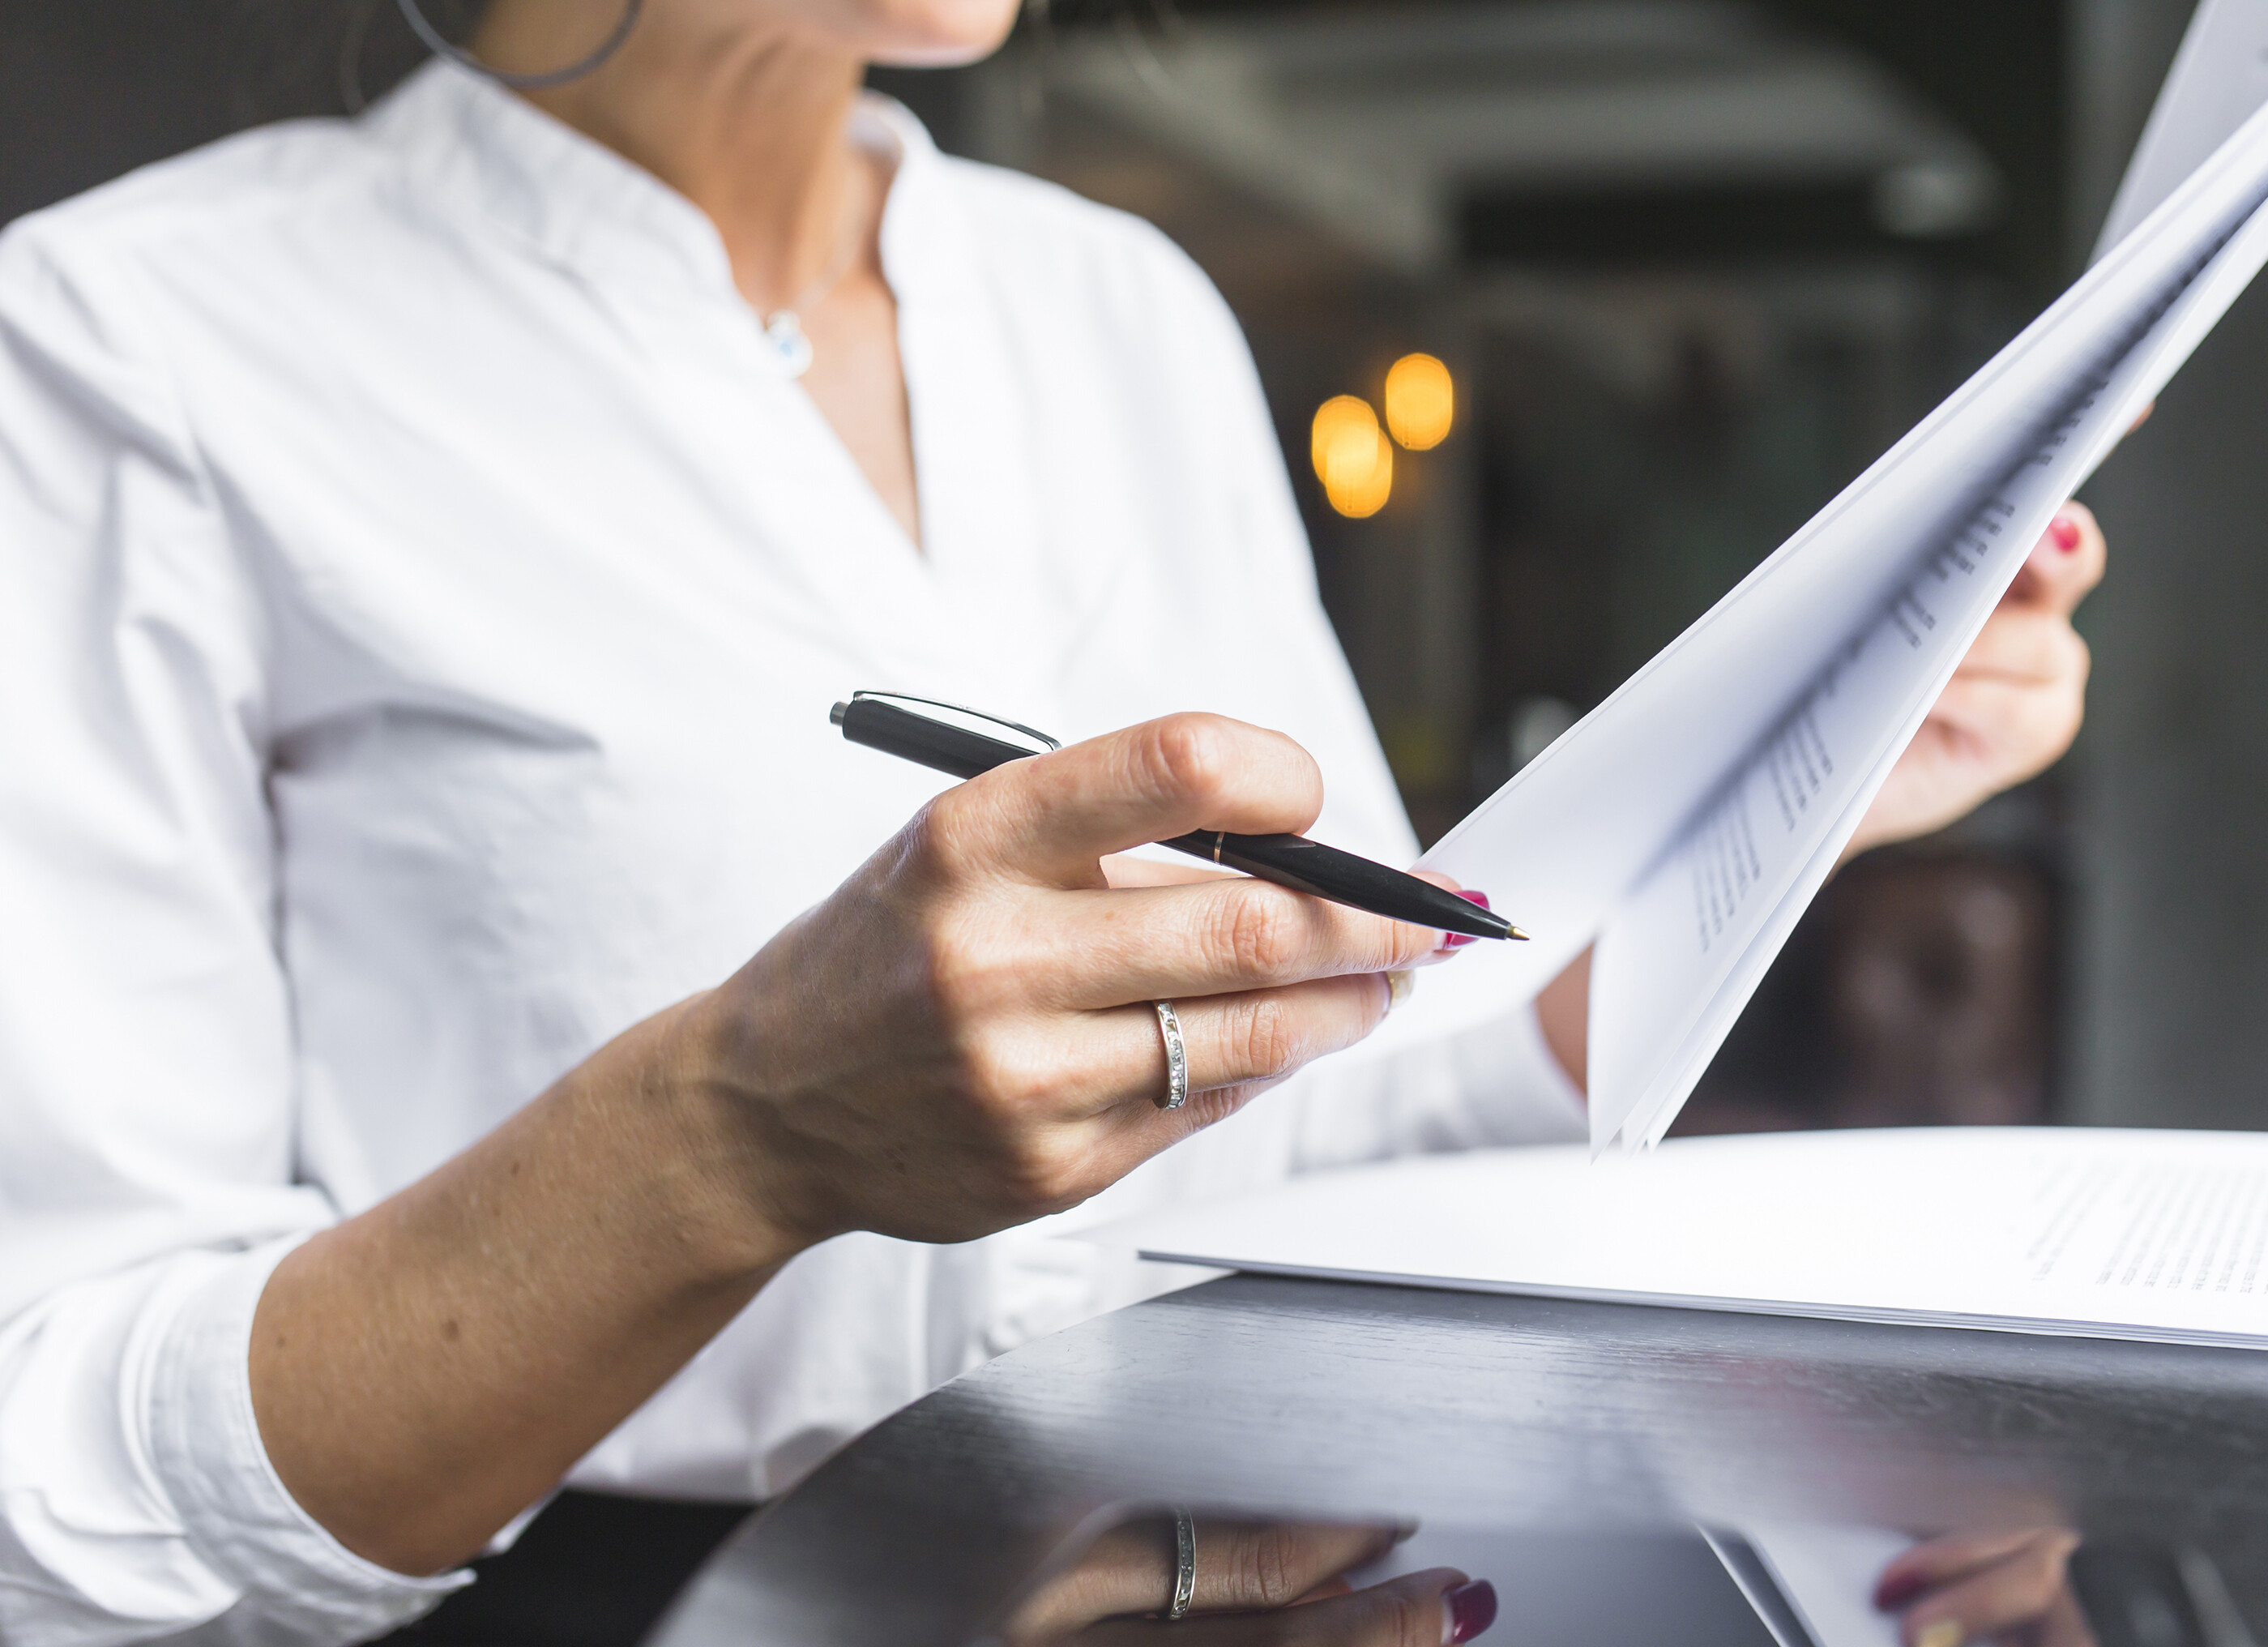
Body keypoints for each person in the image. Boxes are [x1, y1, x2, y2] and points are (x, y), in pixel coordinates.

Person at [0, 0, 2108, 1641]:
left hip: (1238, 1567)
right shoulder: (129, 354)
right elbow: (53, 1498)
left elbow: (1333, 1103)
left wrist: (1783, 795)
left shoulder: (1118, 311)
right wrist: (730, 1137)